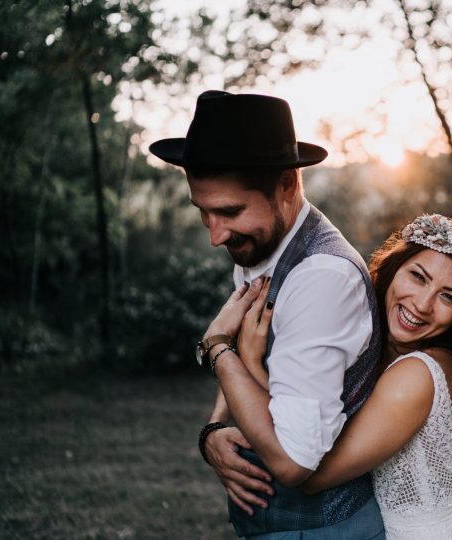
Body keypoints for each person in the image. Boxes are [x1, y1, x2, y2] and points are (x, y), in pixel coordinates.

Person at [149, 90, 385, 539]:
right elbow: (248, 361)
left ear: (286, 186)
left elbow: (293, 462)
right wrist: (215, 429)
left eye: (229, 211)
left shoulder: (321, 280)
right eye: (203, 212)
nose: (215, 236)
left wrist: (217, 349)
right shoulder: (262, 245)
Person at [208, 214, 452, 539]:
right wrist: (215, 427)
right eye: (418, 277)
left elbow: (311, 473)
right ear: (394, 268)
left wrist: (249, 361)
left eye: (448, 297)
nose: (422, 304)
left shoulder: (416, 376)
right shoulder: (376, 339)